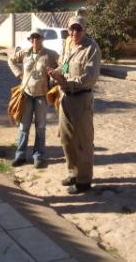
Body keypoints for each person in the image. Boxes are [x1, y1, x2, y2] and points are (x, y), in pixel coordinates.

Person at [48, 16, 101, 194]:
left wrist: (65, 81)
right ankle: (73, 173)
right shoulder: (67, 44)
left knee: (83, 141)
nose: (74, 33)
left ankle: (84, 180)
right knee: (66, 138)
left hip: (81, 98)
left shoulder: (91, 48)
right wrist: (55, 74)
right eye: (72, 29)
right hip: (65, 97)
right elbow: (63, 66)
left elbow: (89, 78)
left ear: (85, 30)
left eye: (78, 29)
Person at [8, 28, 58, 168]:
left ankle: (39, 156)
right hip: (26, 94)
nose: (35, 40)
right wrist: (19, 74)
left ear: (42, 38)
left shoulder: (50, 54)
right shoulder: (25, 53)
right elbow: (10, 60)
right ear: (30, 39)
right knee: (24, 127)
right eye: (32, 37)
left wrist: (56, 76)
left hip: (42, 95)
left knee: (40, 127)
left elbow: (64, 64)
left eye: (38, 37)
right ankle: (20, 155)